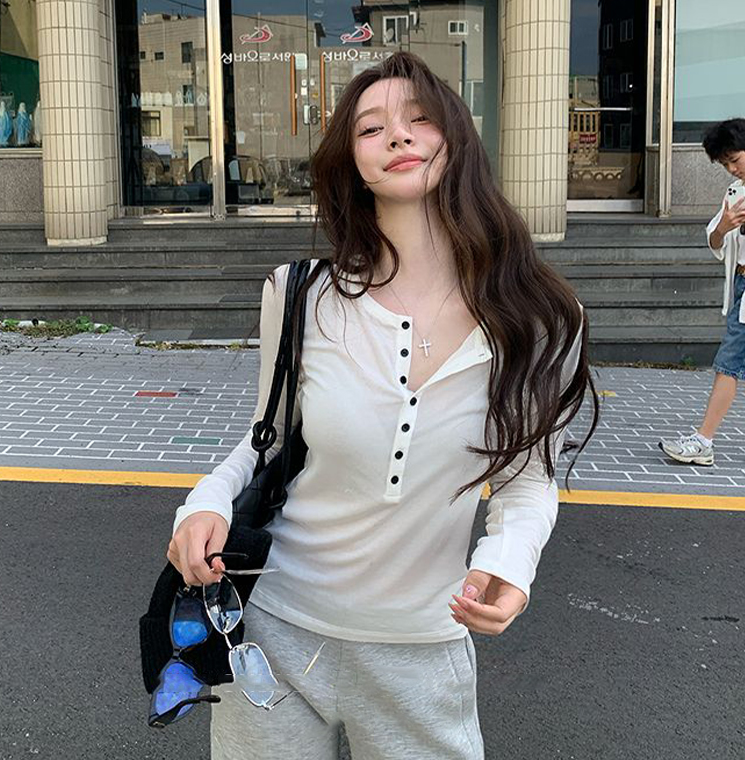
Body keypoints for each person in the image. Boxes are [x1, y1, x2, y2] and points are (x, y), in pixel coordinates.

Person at [167, 52, 598, 759]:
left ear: (457, 138)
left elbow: (528, 478)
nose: (397, 135)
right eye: (371, 128)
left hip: (422, 651)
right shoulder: (300, 294)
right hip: (272, 633)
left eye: (419, 119)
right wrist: (203, 504)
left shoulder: (542, 317)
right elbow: (265, 441)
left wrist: (509, 565)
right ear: (352, 161)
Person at [659, 119, 745, 466]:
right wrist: (724, 227)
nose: (732, 169)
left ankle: (703, 441)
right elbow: (715, 240)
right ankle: (703, 440)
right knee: (730, 362)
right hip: (741, 284)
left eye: (735, 160)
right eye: (725, 164)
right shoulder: (735, 193)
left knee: (729, 362)